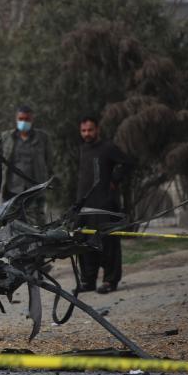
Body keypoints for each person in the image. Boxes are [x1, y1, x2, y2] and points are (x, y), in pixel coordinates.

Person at [76, 116, 133, 294]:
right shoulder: (82, 150)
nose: (87, 134)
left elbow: (128, 163)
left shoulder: (108, 148)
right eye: (84, 130)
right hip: (85, 206)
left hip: (105, 205)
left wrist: (114, 180)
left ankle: (110, 281)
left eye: (90, 130)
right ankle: (88, 281)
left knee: (108, 244)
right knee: (84, 244)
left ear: (97, 130)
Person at [0, 105, 52, 225]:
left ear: (32, 120)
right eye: (21, 119)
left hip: (34, 189)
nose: (24, 122)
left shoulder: (42, 138)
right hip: (12, 190)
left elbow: (49, 161)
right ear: (16, 119)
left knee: (36, 224)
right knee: (11, 224)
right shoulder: (7, 137)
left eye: (27, 119)